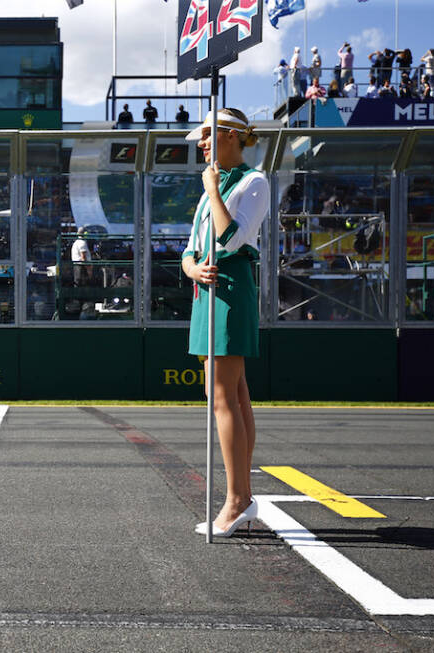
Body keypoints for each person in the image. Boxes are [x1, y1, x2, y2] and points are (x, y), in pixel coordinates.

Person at [181, 108, 269, 537]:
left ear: (231, 136)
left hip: (231, 288)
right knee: (234, 393)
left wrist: (214, 190)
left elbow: (231, 239)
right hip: (207, 287)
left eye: (207, 136)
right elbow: (191, 246)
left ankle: (236, 501)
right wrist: (190, 268)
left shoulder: (254, 181)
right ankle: (244, 496)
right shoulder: (208, 188)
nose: (201, 143)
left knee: (223, 397)